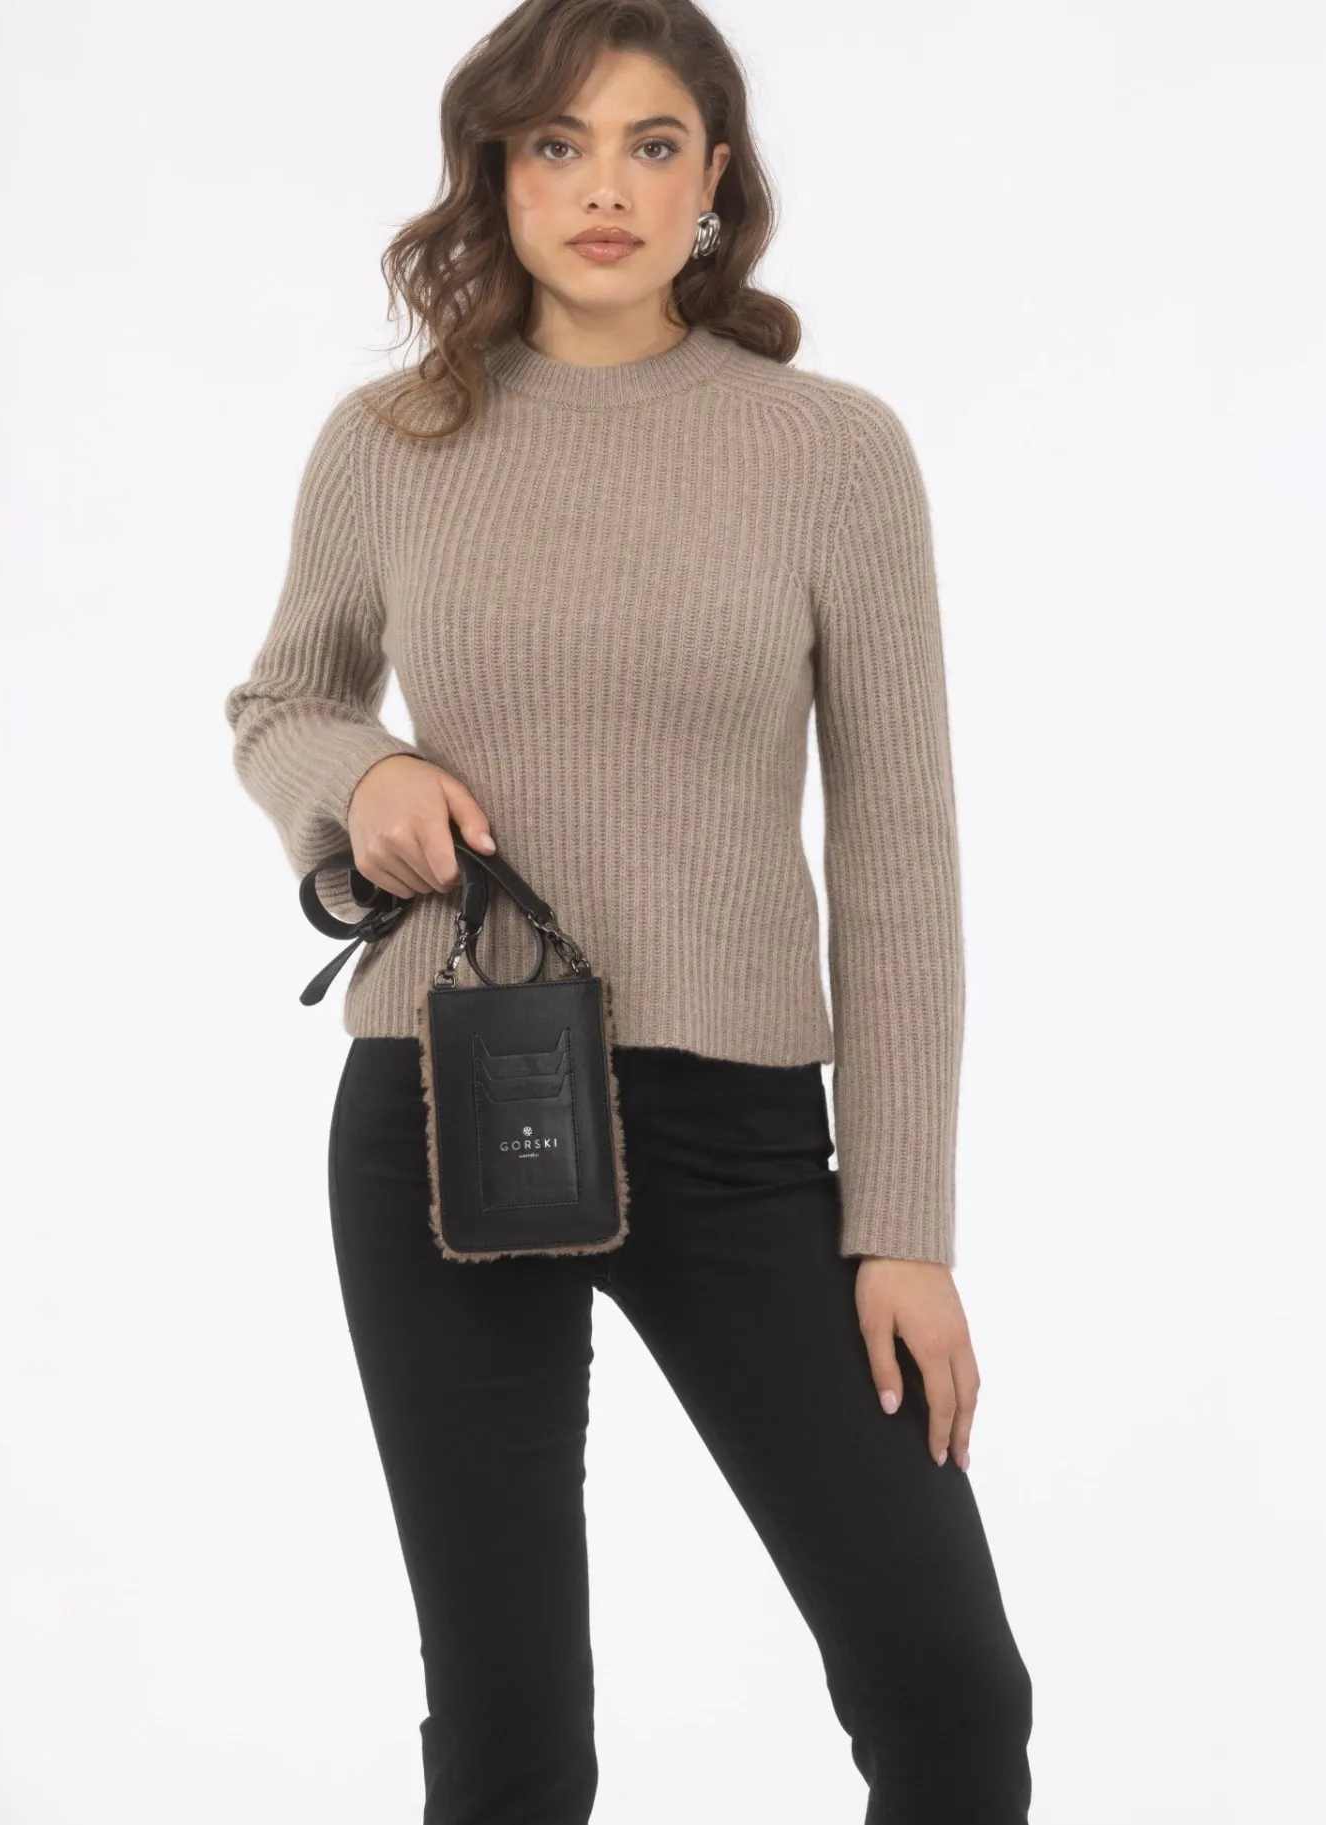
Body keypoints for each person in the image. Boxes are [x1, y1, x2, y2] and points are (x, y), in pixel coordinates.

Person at [223, 2, 1033, 1819]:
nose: (606, 189)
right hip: (448, 1105)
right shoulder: (392, 437)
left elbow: (899, 844)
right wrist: (363, 776)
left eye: (653, 146)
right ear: (496, 175)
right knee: (510, 1741)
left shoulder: (831, 449)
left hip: (739, 1132)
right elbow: (282, 699)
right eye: (558, 145)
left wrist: (902, 1221)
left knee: (950, 1691)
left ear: (714, 178)